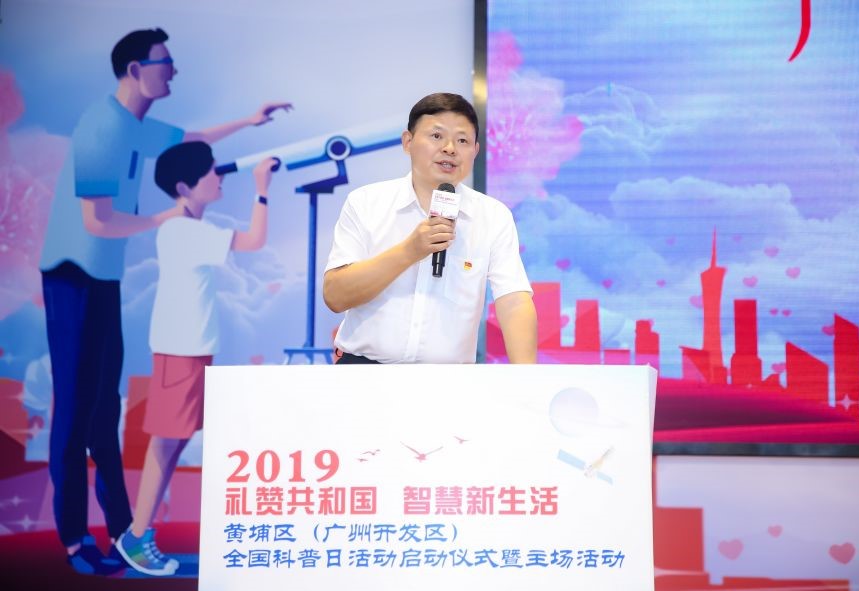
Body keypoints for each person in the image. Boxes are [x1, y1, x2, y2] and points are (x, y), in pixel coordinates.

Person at [38, 27, 291, 575]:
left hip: (104, 276)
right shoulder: (101, 129)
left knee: (106, 410)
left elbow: (191, 139)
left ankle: (123, 532)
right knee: (75, 410)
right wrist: (167, 220)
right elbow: (96, 221)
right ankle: (76, 540)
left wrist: (250, 120)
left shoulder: (137, 126)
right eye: (165, 62)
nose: (173, 71)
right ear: (135, 71)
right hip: (72, 274)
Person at [112, 142, 277, 575]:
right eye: (210, 172)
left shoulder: (187, 229)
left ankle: (139, 534)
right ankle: (136, 537)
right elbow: (255, 240)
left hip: (190, 352)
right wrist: (261, 189)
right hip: (180, 353)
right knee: (165, 443)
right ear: (186, 186)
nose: (218, 177)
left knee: (173, 443)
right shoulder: (183, 232)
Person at [323, 92, 537, 364]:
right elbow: (335, 296)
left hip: (449, 379)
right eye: (436, 136)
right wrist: (410, 251)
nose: (450, 148)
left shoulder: (493, 216)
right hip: (363, 371)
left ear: (475, 151)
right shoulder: (366, 202)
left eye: (462, 140)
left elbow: (514, 300)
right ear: (408, 142)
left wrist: (526, 378)